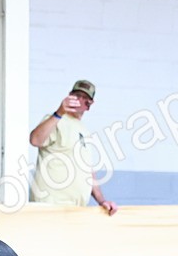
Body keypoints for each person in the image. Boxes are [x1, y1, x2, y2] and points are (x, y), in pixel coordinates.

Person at [28, 80, 117, 214]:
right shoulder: (54, 120)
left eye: (84, 98)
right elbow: (35, 140)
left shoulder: (85, 131)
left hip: (76, 207)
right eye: (76, 96)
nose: (80, 100)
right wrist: (59, 113)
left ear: (89, 104)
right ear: (69, 96)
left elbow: (89, 171)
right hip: (50, 205)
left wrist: (101, 201)